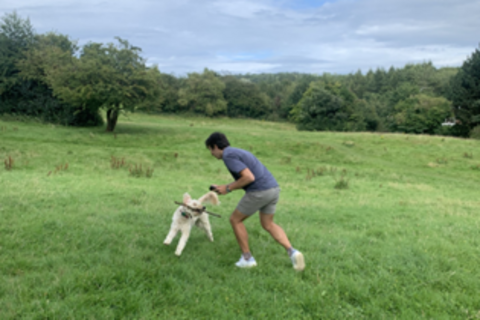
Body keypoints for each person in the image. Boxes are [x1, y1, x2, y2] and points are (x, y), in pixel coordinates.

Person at [205, 132, 305, 271]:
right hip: (273, 189)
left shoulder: (228, 155)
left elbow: (249, 177)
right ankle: (293, 252)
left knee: (235, 220)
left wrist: (228, 188)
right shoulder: (238, 151)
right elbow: (247, 176)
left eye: (210, 149)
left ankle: (247, 259)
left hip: (259, 191)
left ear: (215, 146)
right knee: (268, 224)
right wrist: (225, 186)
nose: (211, 153)